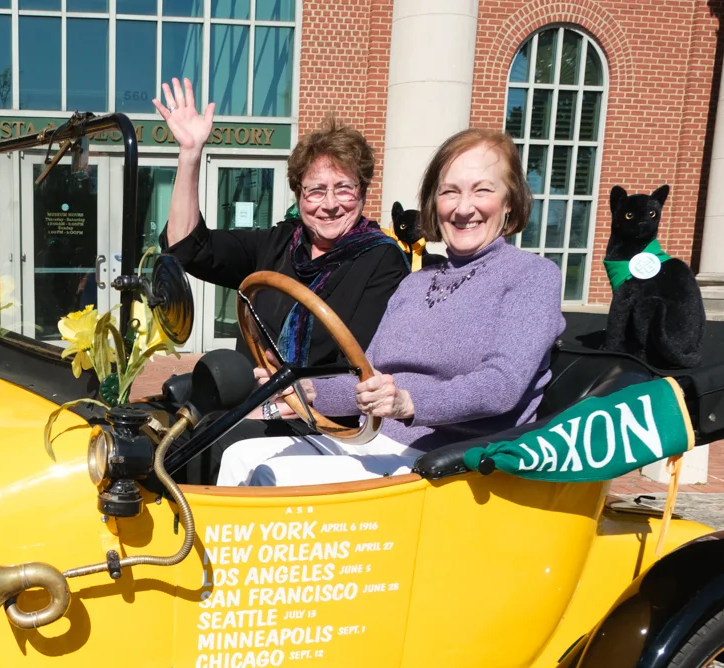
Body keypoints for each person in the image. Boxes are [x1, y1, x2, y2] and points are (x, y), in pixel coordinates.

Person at [217, 128, 565, 487]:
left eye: (482, 190)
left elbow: (501, 386)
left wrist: (408, 403)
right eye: (449, 191)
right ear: (434, 202)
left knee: (271, 475)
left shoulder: (532, 276)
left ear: (510, 201)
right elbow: (368, 381)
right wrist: (306, 391)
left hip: (450, 462)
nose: (463, 208)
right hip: (375, 443)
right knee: (238, 456)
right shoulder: (415, 283)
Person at [154, 81, 409, 428]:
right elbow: (187, 248)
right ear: (299, 196)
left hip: (322, 424)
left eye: (344, 189)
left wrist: (275, 403)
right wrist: (190, 154)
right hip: (249, 405)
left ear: (362, 193)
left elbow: (362, 367)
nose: (330, 204)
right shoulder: (280, 242)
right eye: (316, 190)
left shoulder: (381, 259)